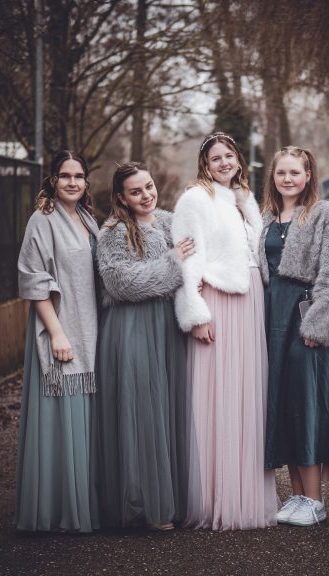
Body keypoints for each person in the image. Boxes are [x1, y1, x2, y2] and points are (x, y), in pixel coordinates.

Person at [172, 132, 277, 530]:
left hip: (250, 303)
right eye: (215, 158)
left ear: (238, 159)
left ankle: (246, 495)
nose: (223, 163)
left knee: (246, 394)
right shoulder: (195, 199)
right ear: (205, 164)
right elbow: (187, 258)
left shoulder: (245, 200)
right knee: (217, 396)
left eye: (228, 156)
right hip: (218, 302)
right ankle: (214, 497)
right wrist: (196, 314)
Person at [92, 162, 194, 531]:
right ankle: (146, 506)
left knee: (167, 410)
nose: (146, 195)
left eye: (149, 187)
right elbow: (120, 283)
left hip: (167, 328)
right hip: (133, 328)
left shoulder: (169, 222)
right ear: (121, 197)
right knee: (141, 413)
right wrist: (173, 264)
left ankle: (171, 497)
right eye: (136, 191)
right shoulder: (115, 232)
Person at [259, 146, 329, 527]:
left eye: (295, 172)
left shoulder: (326, 215)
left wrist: (318, 325)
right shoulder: (265, 218)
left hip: (304, 312)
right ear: (273, 177)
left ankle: (315, 499)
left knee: (307, 402)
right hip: (272, 314)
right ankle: (295, 495)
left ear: (308, 175)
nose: (288, 179)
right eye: (282, 173)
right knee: (284, 401)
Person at [15, 149, 100, 532]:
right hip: (62, 334)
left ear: (86, 182)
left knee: (83, 423)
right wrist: (57, 332)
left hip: (90, 331)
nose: (72, 182)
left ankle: (84, 502)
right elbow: (34, 281)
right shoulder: (43, 218)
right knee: (61, 423)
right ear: (52, 179)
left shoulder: (86, 218)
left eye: (78, 176)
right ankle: (58, 511)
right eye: (64, 175)